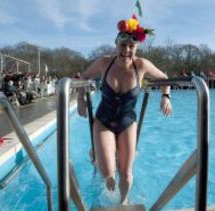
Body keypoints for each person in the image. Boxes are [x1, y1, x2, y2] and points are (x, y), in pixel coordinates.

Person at [77, 15, 172, 205]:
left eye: (132, 47)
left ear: (136, 48)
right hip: (103, 122)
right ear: (116, 44)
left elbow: (165, 78)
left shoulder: (142, 65)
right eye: (123, 46)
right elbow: (82, 77)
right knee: (108, 175)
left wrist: (165, 97)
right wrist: (80, 99)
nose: (127, 51)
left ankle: (124, 202)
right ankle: (102, 154)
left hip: (127, 122)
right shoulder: (104, 63)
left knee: (126, 174)